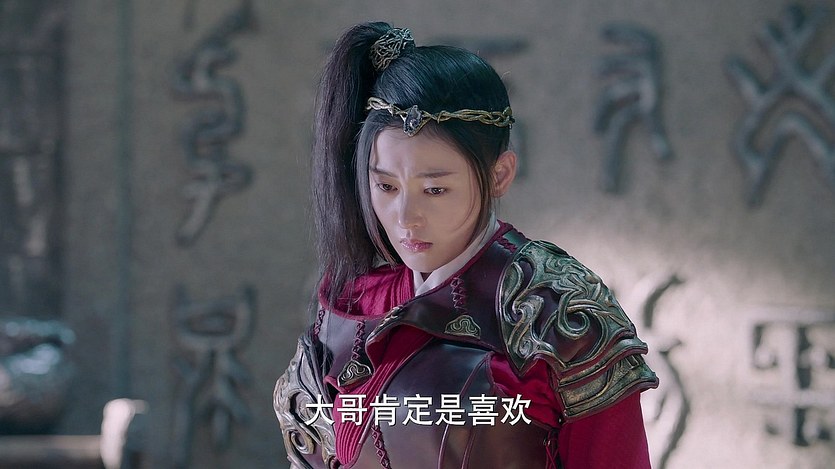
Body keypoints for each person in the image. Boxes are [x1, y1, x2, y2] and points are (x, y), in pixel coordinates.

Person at [274, 22, 658, 469]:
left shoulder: (555, 312)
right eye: (386, 186)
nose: (405, 218)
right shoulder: (354, 304)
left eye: (435, 190)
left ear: (500, 174)